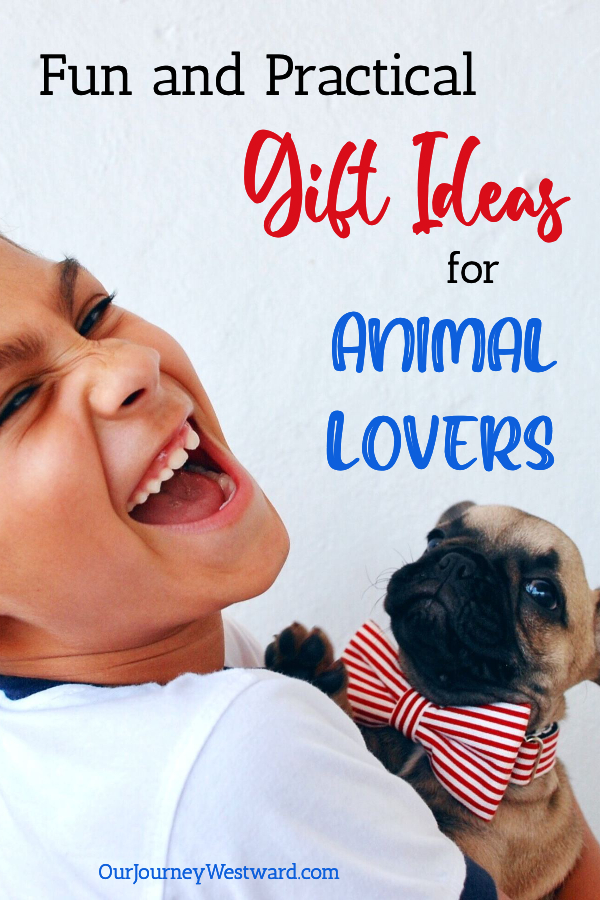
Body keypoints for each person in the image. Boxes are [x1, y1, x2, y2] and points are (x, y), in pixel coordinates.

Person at [0, 236, 597, 900]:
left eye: (93, 314)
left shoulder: (119, 710)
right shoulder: (240, 749)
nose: (129, 364)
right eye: (13, 402)